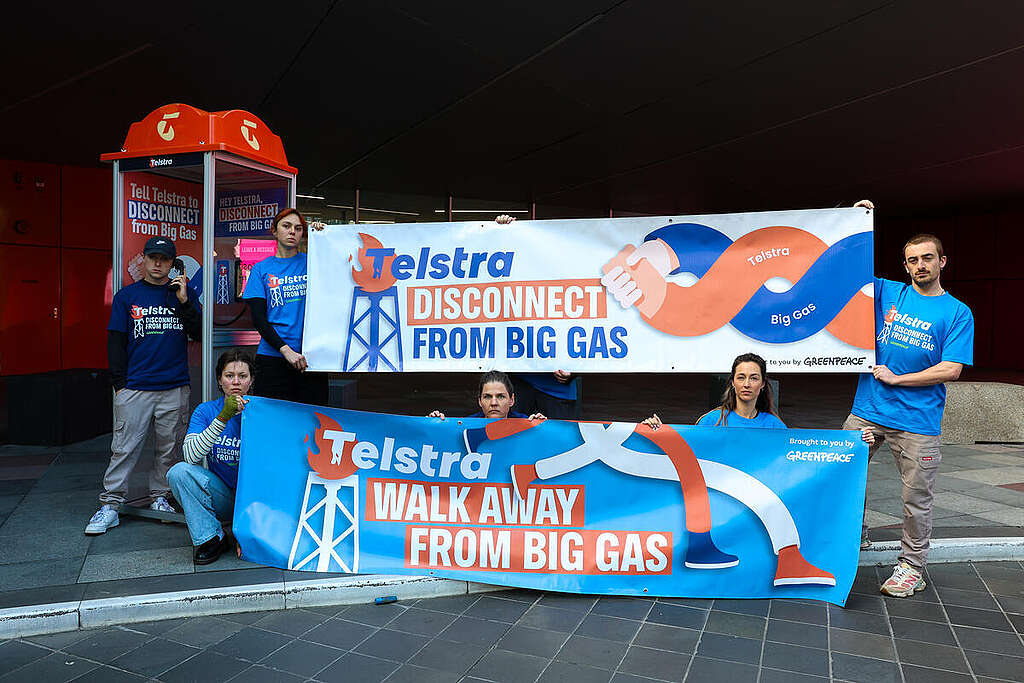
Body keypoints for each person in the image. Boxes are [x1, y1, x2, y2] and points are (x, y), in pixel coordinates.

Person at [843, 200, 974, 599]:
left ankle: (912, 567)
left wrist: (900, 379)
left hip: (917, 422)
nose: (920, 265)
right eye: (912, 259)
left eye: (927, 258)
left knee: (916, 499)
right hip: (866, 412)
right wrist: (855, 221)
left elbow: (951, 369)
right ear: (905, 266)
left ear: (942, 262)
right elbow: (848, 271)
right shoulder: (888, 292)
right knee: (840, 479)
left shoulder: (956, 312)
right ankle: (850, 540)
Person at [86, 236, 201, 535]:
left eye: (164, 259)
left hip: (174, 386)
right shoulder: (128, 296)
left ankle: (160, 498)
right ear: (145, 260)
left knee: (168, 449)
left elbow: (199, 332)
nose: (158, 264)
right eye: (153, 258)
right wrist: (119, 384)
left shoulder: (182, 294)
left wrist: (185, 300)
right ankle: (110, 505)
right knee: (124, 449)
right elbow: (115, 342)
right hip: (135, 387)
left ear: (174, 264)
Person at [166, 350, 253, 564]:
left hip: (255, 498)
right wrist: (223, 417)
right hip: (222, 496)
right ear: (219, 380)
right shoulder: (206, 411)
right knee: (178, 472)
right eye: (229, 375)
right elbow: (191, 455)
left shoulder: (261, 411)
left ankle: (247, 530)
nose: (235, 382)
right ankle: (212, 538)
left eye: (242, 376)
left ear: (251, 381)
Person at [493, 214, 581, 419]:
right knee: (514, 443)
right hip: (517, 383)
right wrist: (503, 232)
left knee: (559, 445)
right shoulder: (516, 272)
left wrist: (575, 369)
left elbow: (590, 329)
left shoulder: (573, 282)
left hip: (558, 387)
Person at [243, 208, 328, 405]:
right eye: (286, 226)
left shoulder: (314, 263)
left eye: (298, 229)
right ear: (275, 231)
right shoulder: (261, 269)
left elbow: (339, 264)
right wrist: (285, 350)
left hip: (311, 359)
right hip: (273, 357)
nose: (292, 232)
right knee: (274, 420)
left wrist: (323, 237)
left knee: (313, 421)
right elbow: (259, 319)